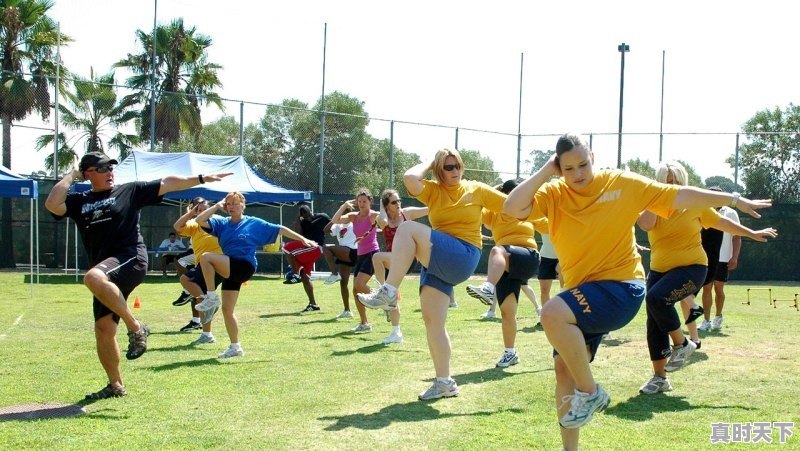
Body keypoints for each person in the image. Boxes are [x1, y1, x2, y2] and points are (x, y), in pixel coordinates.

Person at [503, 134, 771, 451]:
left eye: (584, 165)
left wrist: (735, 200)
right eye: (569, 168)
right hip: (581, 297)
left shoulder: (621, 183)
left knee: (551, 314)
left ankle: (593, 392)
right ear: (560, 167)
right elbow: (512, 207)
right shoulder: (555, 191)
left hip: (622, 287)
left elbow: (680, 195)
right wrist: (547, 171)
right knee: (564, 369)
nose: (578, 174)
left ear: (593, 157)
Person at [45, 151, 231, 399]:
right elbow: (52, 204)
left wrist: (200, 178)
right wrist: (71, 175)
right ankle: (115, 385)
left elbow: (167, 183)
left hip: (130, 258)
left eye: (111, 167)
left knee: (92, 278)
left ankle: (136, 328)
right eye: (102, 169)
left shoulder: (128, 191)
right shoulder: (80, 200)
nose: (110, 172)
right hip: (106, 270)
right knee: (103, 329)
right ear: (88, 173)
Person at [357, 148, 507, 400]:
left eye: (458, 165)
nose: (455, 171)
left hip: (463, 254)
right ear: (439, 170)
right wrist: (431, 161)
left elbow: (511, 204)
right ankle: (444, 382)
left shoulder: (476, 189)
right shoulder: (433, 191)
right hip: (438, 259)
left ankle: (389, 292)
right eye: (448, 167)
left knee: (407, 229)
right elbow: (409, 178)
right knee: (432, 322)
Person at [636, 162, 776, 395]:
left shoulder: (694, 205)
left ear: (684, 182)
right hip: (659, 271)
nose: (671, 185)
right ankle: (660, 378)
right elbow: (645, 223)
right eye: (666, 181)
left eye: (675, 181)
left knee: (656, 299)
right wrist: (659, 198)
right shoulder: (653, 206)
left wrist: (751, 233)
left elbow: (723, 223)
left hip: (693, 268)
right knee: (655, 320)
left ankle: (682, 344)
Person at [193, 192, 317, 358]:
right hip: (230, 267)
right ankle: (235, 347)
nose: (231, 207)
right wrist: (216, 206)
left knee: (206, 257)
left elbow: (280, 229)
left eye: (235, 204)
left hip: (244, 266)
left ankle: (210, 296)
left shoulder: (253, 223)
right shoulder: (222, 223)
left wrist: (302, 239)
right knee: (227, 310)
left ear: (243, 205)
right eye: (228, 204)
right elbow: (199, 220)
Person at [464, 179, 541, 368]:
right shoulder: (495, 213)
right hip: (508, 265)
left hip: (528, 257)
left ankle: (488, 288)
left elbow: (550, 222)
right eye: (515, 193)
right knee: (507, 313)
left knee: (497, 251)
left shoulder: (528, 209)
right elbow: (474, 206)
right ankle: (510, 353)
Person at [372, 189, 429, 344]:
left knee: (377, 257)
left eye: (399, 201)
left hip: (408, 259)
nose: (398, 204)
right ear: (386, 206)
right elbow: (381, 217)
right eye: (393, 202)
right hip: (393, 262)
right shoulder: (382, 219)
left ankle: (381, 291)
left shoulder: (407, 214)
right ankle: (396, 332)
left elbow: (428, 210)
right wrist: (383, 207)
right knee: (392, 298)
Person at [174, 197, 225, 343]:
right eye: (199, 210)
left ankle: (209, 302)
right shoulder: (194, 224)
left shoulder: (217, 220)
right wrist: (190, 213)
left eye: (204, 210)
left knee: (185, 279)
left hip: (216, 263)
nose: (202, 213)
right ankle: (207, 334)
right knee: (202, 300)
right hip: (202, 265)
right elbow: (177, 226)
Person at [331, 189, 381, 333]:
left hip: (372, 253)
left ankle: (385, 300)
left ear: (370, 201)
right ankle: (364, 323)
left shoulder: (373, 216)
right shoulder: (353, 216)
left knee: (360, 284)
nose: (361, 204)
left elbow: (387, 218)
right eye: (359, 201)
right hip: (360, 255)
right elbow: (335, 221)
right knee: (355, 291)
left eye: (364, 201)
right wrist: (344, 206)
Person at [700, 199, 742, 331]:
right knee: (706, 288)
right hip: (705, 257)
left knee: (718, 288)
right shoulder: (702, 210)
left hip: (723, 258)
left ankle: (718, 317)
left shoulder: (730, 213)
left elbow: (737, 236)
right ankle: (706, 320)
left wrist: (734, 257)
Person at [289, 204, 330, 311]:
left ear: (311, 210)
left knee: (287, 248)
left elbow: (331, 225)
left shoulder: (322, 217)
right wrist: (298, 218)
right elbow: (297, 235)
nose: (308, 218)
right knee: (305, 276)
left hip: (316, 247)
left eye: (309, 215)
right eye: (305, 216)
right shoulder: (302, 223)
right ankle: (313, 304)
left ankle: (295, 273)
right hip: (308, 250)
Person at [322, 213, 359, 319]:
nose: (342, 218)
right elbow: (326, 230)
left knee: (326, 248)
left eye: (344, 216)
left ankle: (334, 274)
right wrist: (334, 220)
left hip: (352, 251)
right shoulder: (338, 225)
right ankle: (347, 310)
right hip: (343, 254)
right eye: (340, 216)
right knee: (344, 283)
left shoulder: (354, 223)